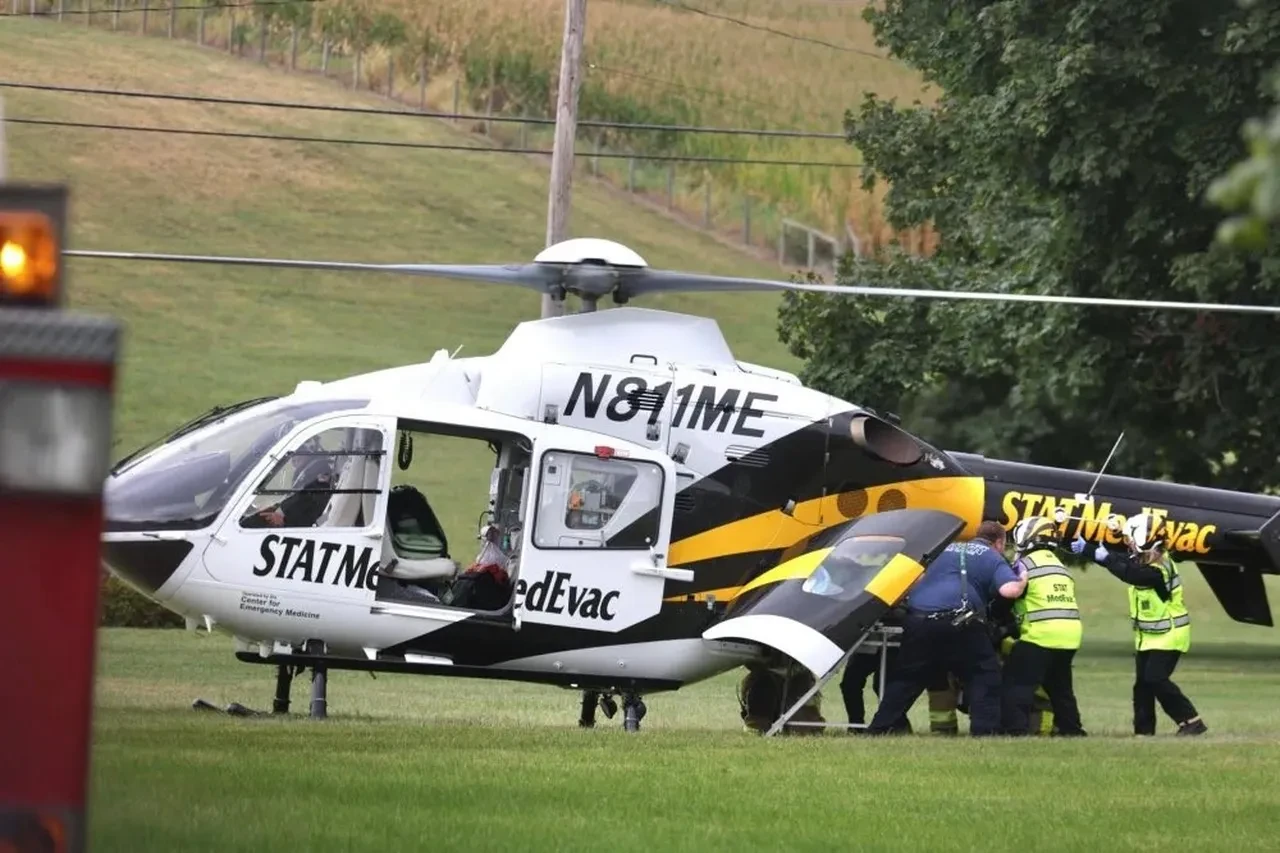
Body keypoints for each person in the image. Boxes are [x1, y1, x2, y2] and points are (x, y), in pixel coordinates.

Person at [864, 520, 1028, 736]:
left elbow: (911, 581)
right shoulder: (992, 557)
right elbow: (1009, 591)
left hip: (919, 621)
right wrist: (1022, 577)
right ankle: (984, 732)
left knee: (906, 678)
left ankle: (879, 727)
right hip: (962, 623)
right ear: (999, 542)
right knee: (983, 675)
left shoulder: (941, 549)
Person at [1077, 512, 1208, 736]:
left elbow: (1129, 573)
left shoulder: (1157, 570)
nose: (1127, 543)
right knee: (1143, 686)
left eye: (1130, 538)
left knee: (1155, 678)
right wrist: (1089, 550)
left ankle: (1191, 721)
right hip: (1149, 637)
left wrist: (1102, 556)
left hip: (1170, 635)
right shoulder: (1145, 560)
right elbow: (1122, 563)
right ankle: (1143, 732)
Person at [1001, 516, 1087, 736]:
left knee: (1017, 684)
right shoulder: (1061, 567)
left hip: (1040, 635)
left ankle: (1016, 731)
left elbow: (1007, 597)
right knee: (1061, 688)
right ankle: (1072, 730)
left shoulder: (1024, 565)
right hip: (1069, 637)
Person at [840, 605, 912, 732]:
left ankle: (897, 724)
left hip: (893, 642)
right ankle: (856, 725)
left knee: (883, 686)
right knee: (850, 684)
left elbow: (906, 611)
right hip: (866, 642)